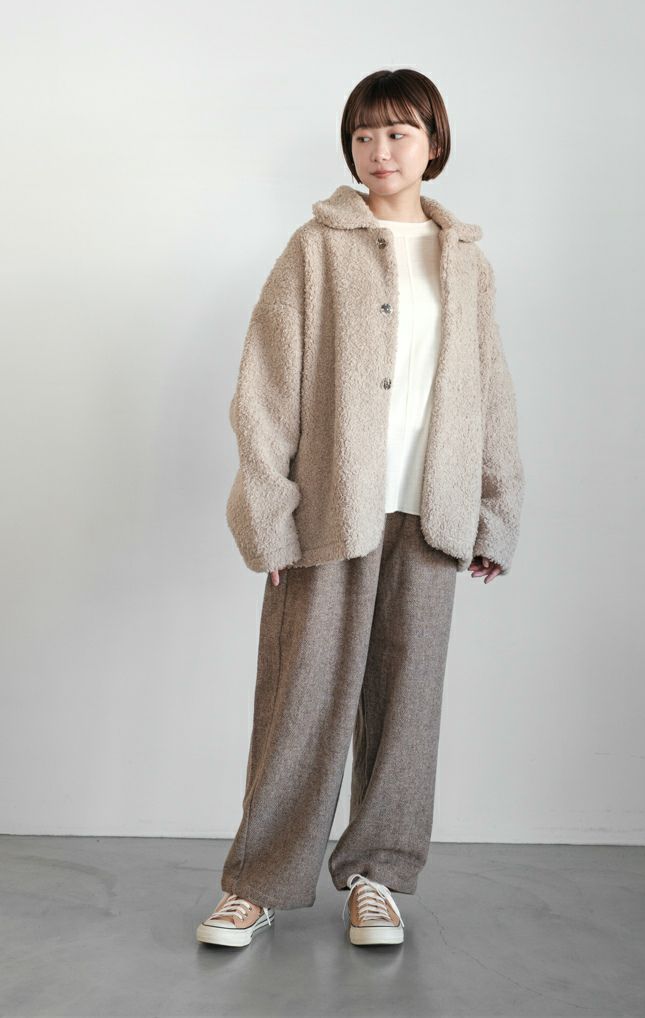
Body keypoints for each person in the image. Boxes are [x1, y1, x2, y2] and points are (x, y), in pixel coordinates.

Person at [196, 67, 525, 949]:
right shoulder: (316, 248)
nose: (380, 150)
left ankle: (376, 877)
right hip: (331, 513)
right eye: (365, 134)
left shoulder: (467, 261)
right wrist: (269, 513)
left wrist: (493, 511)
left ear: (434, 144)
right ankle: (257, 883)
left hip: (431, 511)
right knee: (301, 703)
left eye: (399, 132)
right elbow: (265, 390)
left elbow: (491, 392)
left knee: (407, 708)